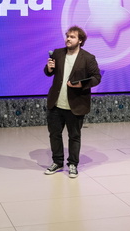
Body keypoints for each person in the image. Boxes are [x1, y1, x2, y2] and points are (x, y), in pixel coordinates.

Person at [43, 25, 101, 178]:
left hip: (76, 104)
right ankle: (57, 162)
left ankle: (73, 164)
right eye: (67, 36)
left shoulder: (88, 58)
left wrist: (82, 84)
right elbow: (48, 73)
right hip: (56, 103)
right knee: (54, 134)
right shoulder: (57, 53)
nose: (68, 39)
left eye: (72, 37)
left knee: (74, 136)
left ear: (80, 40)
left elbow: (96, 78)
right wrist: (49, 68)